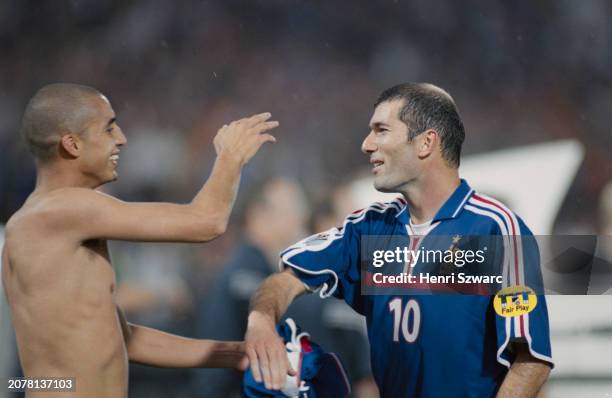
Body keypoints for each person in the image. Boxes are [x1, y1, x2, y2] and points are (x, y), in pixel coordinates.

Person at [244, 83, 553, 397]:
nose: (366, 144)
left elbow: (530, 359)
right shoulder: (368, 228)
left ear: (425, 143)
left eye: (381, 130)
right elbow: (288, 278)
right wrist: (261, 322)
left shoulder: (498, 230)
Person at [1, 83, 278, 397]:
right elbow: (206, 222)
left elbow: (124, 339)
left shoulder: (44, 222)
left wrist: (237, 354)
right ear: (72, 144)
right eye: (109, 129)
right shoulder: (62, 209)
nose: (122, 138)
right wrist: (231, 157)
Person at [195, 178, 375, 397]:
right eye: (291, 210)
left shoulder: (258, 274)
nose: (298, 220)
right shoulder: (246, 277)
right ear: (258, 215)